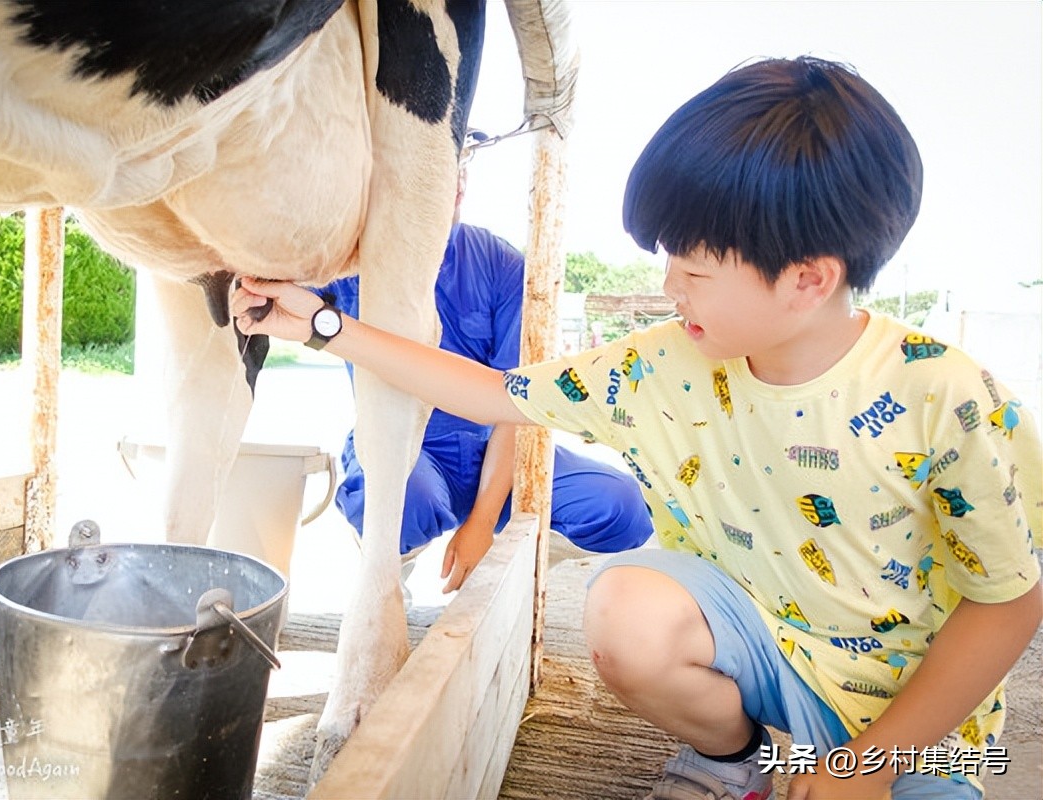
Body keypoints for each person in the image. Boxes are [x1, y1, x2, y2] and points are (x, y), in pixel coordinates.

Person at [232, 56, 1042, 800]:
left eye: (693, 270)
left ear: (807, 279)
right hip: (764, 653)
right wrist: (322, 326)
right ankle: (733, 763)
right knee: (623, 603)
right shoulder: (660, 366)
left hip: (921, 715)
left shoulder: (947, 398)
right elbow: (490, 394)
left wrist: (870, 762)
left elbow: (1008, 602)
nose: (668, 288)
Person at [317, 164, 654, 594]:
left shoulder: (502, 264)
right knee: (402, 497)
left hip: (497, 446)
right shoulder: (346, 261)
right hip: (405, 445)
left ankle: (522, 585)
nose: (453, 181)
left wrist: (481, 524)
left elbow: (523, 400)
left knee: (620, 504)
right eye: (437, 167)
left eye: (460, 165)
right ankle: (384, 587)